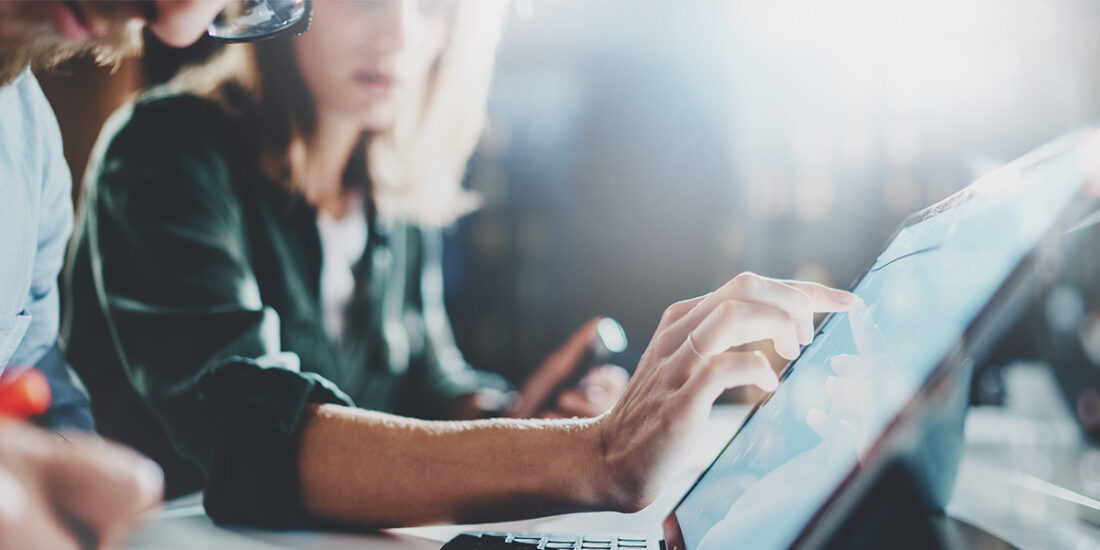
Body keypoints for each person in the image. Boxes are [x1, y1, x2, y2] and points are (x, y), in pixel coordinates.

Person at [65, 0, 858, 530]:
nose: (401, 35)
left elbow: (427, 385)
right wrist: (595, 452)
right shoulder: (164, 150)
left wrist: (523, 413)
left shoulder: (387, 194)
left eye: (433, 4)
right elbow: (246, 430)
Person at [0, 1, 316, 547]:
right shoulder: (166, 148)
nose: (177, 22)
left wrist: (72, 490)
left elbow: (41, 392)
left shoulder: (30, 145)